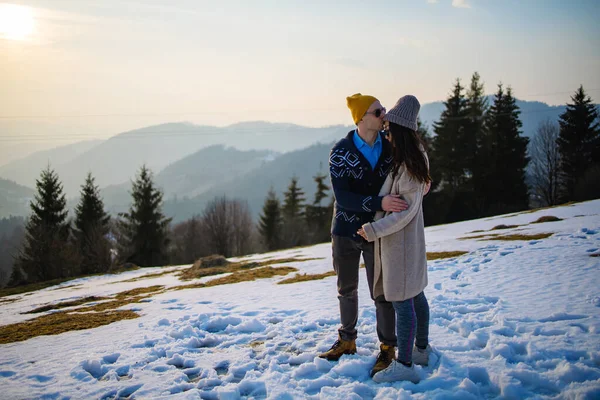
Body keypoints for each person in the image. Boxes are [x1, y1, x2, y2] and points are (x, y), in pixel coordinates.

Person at [319, 93, 409, 378]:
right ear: (361, 118)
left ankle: (387, 347)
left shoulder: (391, 147)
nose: (384, 115)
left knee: (381, 290)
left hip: (377, 231)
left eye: (383, 110)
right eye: (378, 111)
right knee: (346, 288)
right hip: (345, 230)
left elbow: (412, 166)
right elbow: (343, 197)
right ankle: (347, 340)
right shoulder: (340, 151)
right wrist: (378, 203)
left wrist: (425, 180)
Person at [357, 95, 433, 383]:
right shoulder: (410, 160)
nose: (385, 134)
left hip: (401, 246)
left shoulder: (411, 168)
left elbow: (403, 213)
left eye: (389, 130)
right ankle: (421, 350)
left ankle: (405, 364)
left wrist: (373, 229)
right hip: (405, 244)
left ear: (399, 131)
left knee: (403, 303)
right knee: (416, 295)